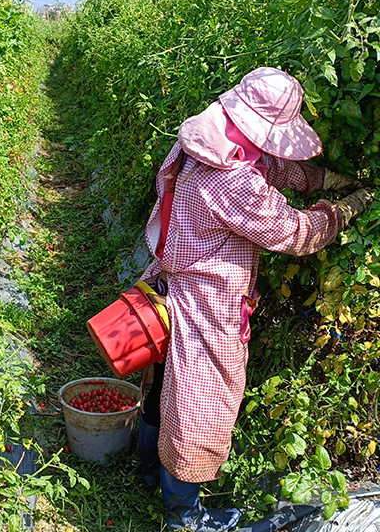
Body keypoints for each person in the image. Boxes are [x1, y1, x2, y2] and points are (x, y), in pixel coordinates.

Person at [135, 67, 373, 532]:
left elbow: (277, 169)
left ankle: (148, 472)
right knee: (200, 405)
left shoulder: (205, 140)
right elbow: (296, 232)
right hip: (206, 303)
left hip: (169, 285)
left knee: (163, 383)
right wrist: (344, 209)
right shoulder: (232, 181)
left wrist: (328, 180)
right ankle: (186, 516)